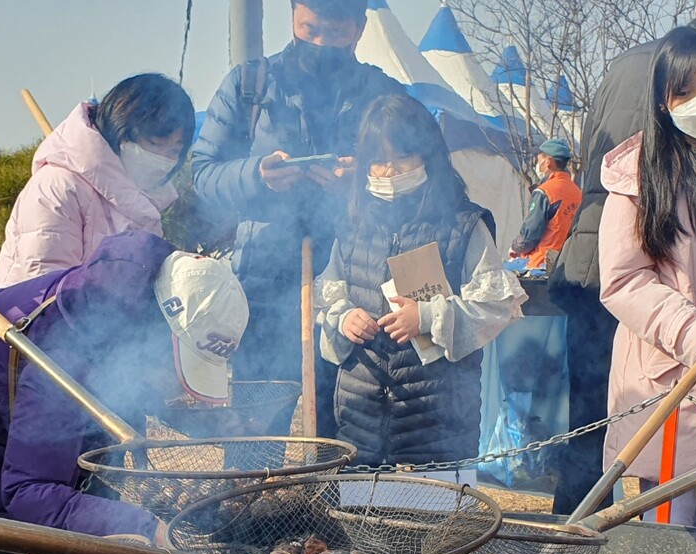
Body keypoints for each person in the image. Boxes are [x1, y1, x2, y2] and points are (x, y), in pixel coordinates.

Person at [0, 231, 249, 540]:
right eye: (178, 363)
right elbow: (28, 492)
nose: (178, 381)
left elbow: (125, 397)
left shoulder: (124, 305)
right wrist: (148, 529)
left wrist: (215, 426)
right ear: (154, 332)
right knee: (7, 540)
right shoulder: (64, 353)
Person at [547, 0, 696, 515]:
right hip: (665, 373)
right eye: (683, 91)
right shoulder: (637, 172)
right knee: (666, 534)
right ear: (663, 102)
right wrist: (692, 330)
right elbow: (623, 279)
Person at [192, 0, 404, 438]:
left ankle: (335, 483)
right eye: (310, 29)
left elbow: (419, 176)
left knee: (344, 427)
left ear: (360, 28)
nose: (321, 42)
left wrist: (363, 180)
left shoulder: (382, 95)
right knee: (256, 430)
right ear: (291, 16)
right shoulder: (249, 85)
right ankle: (251, 482)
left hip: (354, 286)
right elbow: (203, 174)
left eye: (336, 33)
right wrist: (257, 175)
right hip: (263, 283)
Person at [316, 94, 525, 467]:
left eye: (402, 157)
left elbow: (496, 306)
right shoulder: (353, 226)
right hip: (361, 425)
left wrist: (429, 317)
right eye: (378, 160)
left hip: (439, 428)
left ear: (427, 154)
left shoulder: (463, 224)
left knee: (435, 506)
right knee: (362, 505)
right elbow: (329, 296)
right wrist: (344, 317)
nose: (389, 171)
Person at [0, 74, 195, 289]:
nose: (163, 159)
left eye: (174, 151)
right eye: (155, 144)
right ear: (121, 131)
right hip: (34, 309)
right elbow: (44, 286)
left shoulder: (147, 198)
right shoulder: (58, 186)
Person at [510, 138, 581, 271]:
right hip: (567, 264)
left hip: (540, 264)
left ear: (548, 162)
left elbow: (529, 236)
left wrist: (515, 247)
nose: (537, 163)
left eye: (539, 159)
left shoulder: (545, 192)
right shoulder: (578, 193)